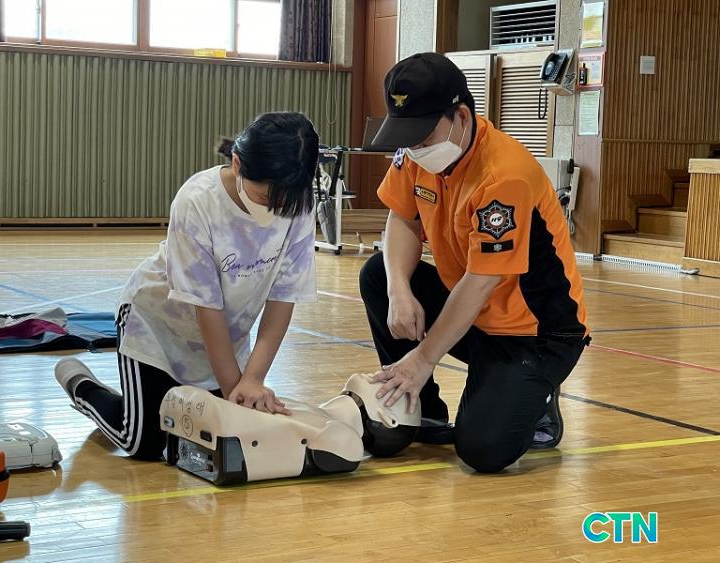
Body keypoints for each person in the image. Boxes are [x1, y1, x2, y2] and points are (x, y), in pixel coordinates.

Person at [359, 53, 590, 473]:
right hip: (473, 316)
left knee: (483, 451)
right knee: (378, 275)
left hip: (534, 333)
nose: (414, 149)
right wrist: (399, 290)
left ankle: (536, 394)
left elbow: (482, 281)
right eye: (407, 138)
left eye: (422, 137)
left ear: (461, 117)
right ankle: (421, 409)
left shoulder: (504, 175)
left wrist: (424, 357)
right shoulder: (414, 156)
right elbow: (403, 218)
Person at [55, 112, 320, 459]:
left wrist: (252, 380)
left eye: (285, 203)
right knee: (144, 442)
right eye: (265, 197)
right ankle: (83, 386)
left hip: (223, 342)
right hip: (156, 327)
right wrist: (234, 395)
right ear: (237, 165)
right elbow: (206, 309)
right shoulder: (198, 200)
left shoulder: (300, 204)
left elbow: (282, 299)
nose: (276, 210)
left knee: (200, 432)